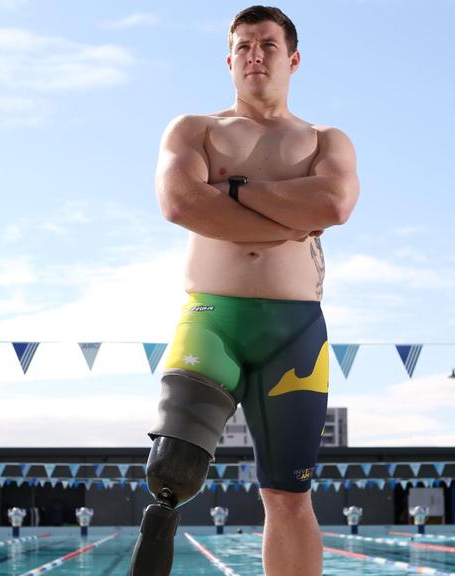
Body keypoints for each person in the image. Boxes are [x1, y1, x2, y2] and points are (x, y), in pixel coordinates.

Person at [128, 6, 359, 576]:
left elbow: (332, 206)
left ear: (294, 59)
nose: (255, 54)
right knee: (172, 470)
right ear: (228, 60)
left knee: (286, 496)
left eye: (269, 45)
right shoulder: (194, 130)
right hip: (213, 317)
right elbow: (180, 204)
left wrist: (228, 190)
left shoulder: (326, 139)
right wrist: (288, 218)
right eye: (244, 46)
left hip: (295, 333)